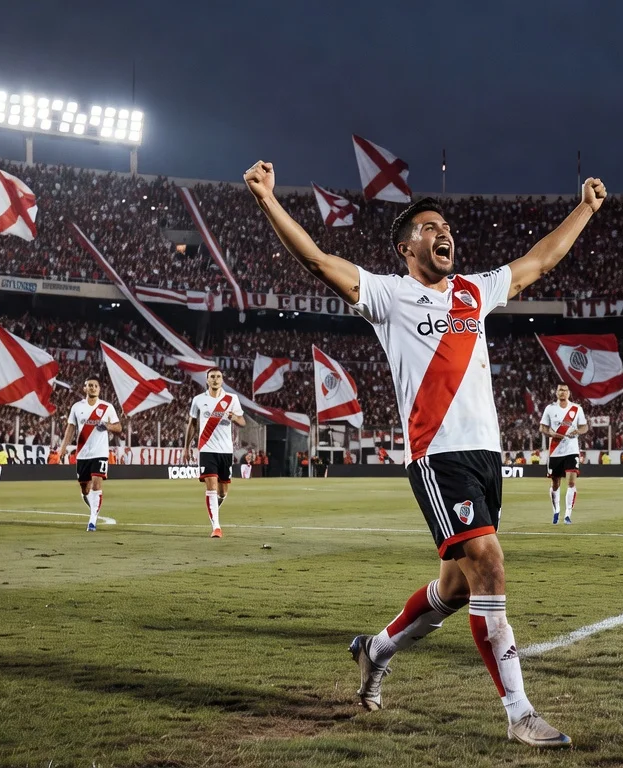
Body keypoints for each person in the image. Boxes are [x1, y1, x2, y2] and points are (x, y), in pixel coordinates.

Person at [245, 158, 604, 747]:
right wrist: (267, 198)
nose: (445, 235)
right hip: (438, 458)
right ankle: (519, 712)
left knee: (456, 589)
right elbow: (316, 259)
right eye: (430, 228)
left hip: (487, 458)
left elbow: (539, 261)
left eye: (447, 229)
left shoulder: (475, 291)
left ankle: (375, 650)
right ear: (406, 247)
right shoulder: (389, 296)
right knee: (488, 561)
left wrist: (587, 209)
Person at [55, 377, 123, 532]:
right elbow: (70, 429)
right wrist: (63, 448)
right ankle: (93, 508)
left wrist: (107, 425)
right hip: (82, 454)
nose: (93, 388)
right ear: (84, 388)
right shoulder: (77, 407)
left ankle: (92, 520)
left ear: (99, 389)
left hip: (100, 453)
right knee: (85, 489)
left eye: (96, 386)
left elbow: (118, 427)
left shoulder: (107, 407)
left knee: (97, 484)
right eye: (90, 385)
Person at [185, 368, 246, 538]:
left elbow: (242, 421)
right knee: (210, 485)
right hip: (206, 449)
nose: (215, 379)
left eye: (218, 377)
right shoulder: (198, 400)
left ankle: (213, 509)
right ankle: (216, 527)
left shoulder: (231, 399)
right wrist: (186, 446)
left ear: (222, 380)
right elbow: (192, 424)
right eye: (212, 377)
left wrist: (234, 417)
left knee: (222, 491)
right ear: (207, 380)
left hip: (225, 450)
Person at [539, 384, 588, 524]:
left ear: (569, 392)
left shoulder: (576, 409)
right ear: (556, 392)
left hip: (572, 451)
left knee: (571, 482)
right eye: (560, 390)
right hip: (555, 451)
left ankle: (567, 515)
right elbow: (542, 427)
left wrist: (578, 431)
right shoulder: (550, 409)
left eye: (565, 390)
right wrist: (551, 433)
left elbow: (585, 426)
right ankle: (556, 511)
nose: (563, 392)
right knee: (555, 483)